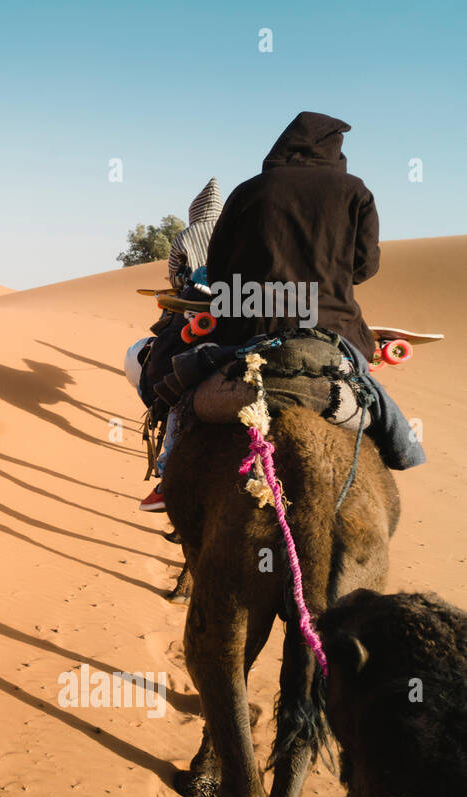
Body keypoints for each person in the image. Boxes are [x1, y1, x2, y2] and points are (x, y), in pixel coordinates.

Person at [205, 111, 424, 470]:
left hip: (248, 322)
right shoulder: (356, 191)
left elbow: (218, 272)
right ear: (335, 149)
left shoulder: (248, 190)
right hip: (332, 325)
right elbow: (365, 268)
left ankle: (167, 472)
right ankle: (405, 451)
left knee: (185, 385)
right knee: (366, 388)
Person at [127, 178, 223, 511]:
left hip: (198, 304)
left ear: (195, 211)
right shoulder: (237, 231)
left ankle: (168, 468)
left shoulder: (186, 234)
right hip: (246, 305)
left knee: (165, 364)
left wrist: (186, 284)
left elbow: (174, 275)